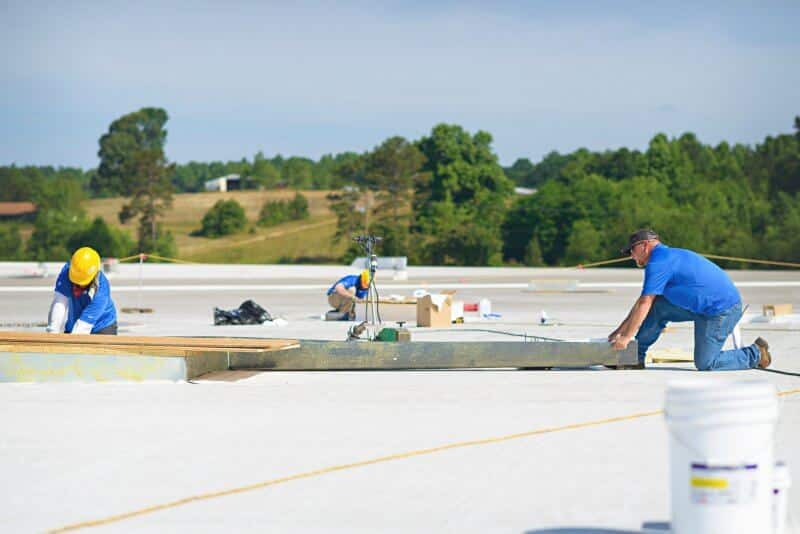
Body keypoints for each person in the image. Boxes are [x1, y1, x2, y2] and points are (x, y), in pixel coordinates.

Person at [608, 229, 771, 370]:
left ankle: (756, 353)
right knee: (657, 307)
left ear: (644, 245)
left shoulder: (658, 262)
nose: (631, 256)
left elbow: (645, 303)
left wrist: (626, 338)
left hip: (721, 311)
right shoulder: (665, 257)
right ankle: (635, 358)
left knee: (706, 363)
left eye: (631, 250)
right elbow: (643, 302)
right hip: (702, 306)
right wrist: (620, 331)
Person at [46, 246, 118, 335]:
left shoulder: (101, 290)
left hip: (102, 325)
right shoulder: (68, 272)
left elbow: (83, 327)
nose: (79, 285)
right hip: (73, 321)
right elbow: (59, 303)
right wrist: (52, 333)